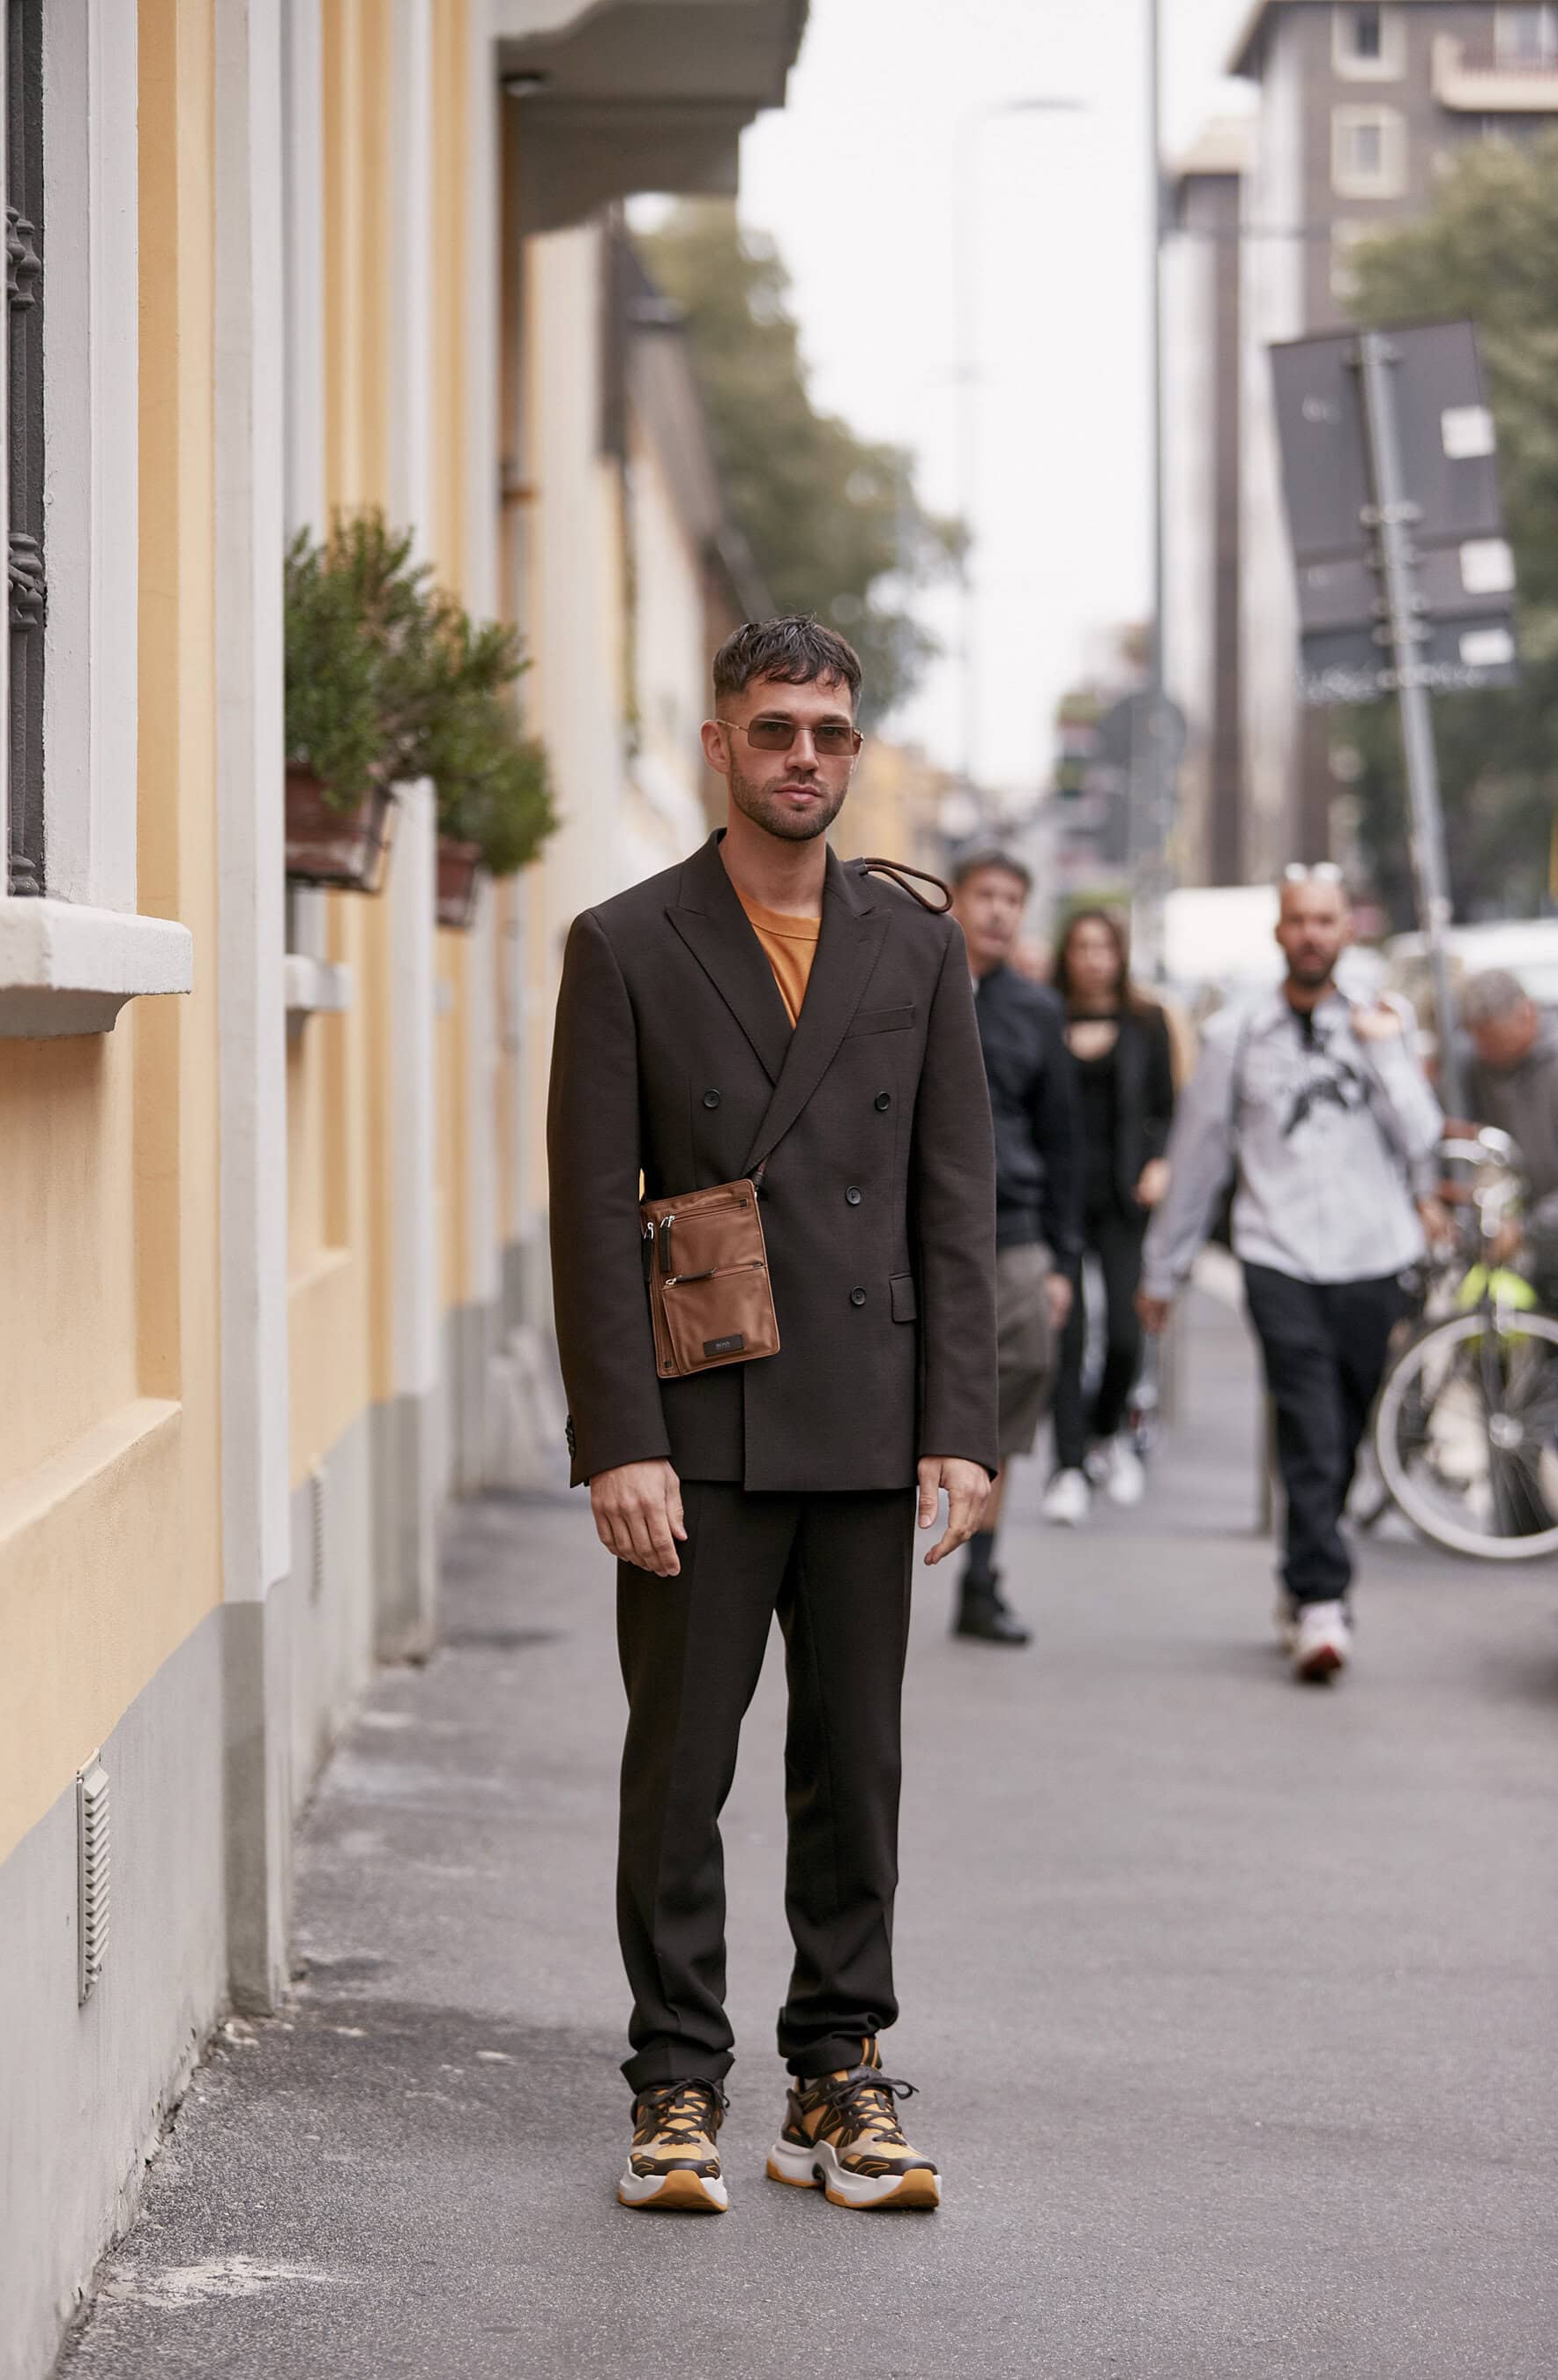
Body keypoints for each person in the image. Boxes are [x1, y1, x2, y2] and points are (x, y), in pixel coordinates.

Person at [548, 616, 997, 2216]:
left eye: (828, 732)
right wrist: (618, 1439)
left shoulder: (915, 944)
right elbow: (591, 1210)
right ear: (719, 745)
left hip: (870, 1413)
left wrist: (962, 1424)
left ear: (853, 751)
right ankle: (674, 2080)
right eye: (774, 728)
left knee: (854, 1767)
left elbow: (955, 1197)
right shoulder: (627, 942)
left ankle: (836, 2076)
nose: (803, 756)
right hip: (700, 1420)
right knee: (682, 1768)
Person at [1137, 868, 1441, 1684]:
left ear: (1346, 931)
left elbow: (1423, 1140)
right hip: (1279, 1255)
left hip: (1373, 1254)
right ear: (1279, 932)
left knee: (1344, 1428)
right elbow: (1198, 1156)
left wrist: (1388, 1055)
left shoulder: (1386, 1022)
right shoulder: (1238, 1033)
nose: (1311, 934)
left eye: (1325, 921)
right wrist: (1164, 1269)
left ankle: (1303, 1574)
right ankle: (1322, 1599)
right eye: (1298, 920)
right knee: (1308, 1423)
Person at [949, 848, 1082, 1644]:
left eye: (1012, 899)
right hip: (919, 1228)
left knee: (1017, 1383)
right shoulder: (912, 984)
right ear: (955, 899)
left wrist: (1063, 1260)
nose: (999, 911)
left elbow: (1063, 1139)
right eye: (986, 895)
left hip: (1018, 1227)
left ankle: (980, 1578)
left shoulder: (1035, 1009)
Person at [1044, 908, 1175, 1524]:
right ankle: (1068, 1466)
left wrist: (1161, 1162)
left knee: (1126, 1334)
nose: (1094, 958)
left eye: (1104, 947)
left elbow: (1167, 1107)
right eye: (1082, 946)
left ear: (1120, 955)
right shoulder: (1044, 1017)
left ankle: (1105, 1432)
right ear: (1066, 955)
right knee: (1065, 1338)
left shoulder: (1147, 1021)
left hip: (1125, 1199)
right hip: (1059, 1201)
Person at [1458, 969, 1558, 1201]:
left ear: (1527, 1013)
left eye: (1498, 1041)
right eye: (1480, 1043)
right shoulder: (1475, 1064)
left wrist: (1536, 1221)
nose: (1487, 1052)